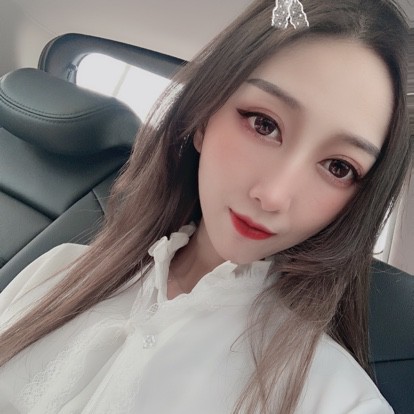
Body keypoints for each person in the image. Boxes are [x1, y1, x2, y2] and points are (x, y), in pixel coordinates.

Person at [0, 0, 411, 413]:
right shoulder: (56, 273)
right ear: (202, 118)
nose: (273, 195)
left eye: (339, 167)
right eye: (263, 124)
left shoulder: (338, 399)